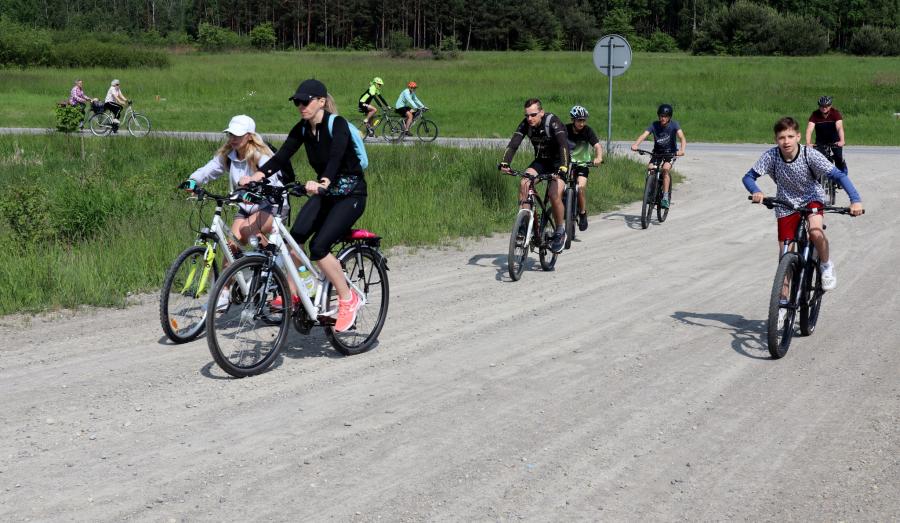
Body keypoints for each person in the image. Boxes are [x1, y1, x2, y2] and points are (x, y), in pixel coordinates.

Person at [251, 79, 367, 333]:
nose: (301, 106)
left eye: (305, 101)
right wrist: (256, 177)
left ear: (321, 102)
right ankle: (298, 290)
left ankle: (348, 299)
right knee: (294, 241)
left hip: (351, 195)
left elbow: (336, 157)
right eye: (297, 102)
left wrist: (323, 181)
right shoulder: (303, 129)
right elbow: (282, 156)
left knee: (319, 247)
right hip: (326, 194)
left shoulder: (337, 124)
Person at [743, 116, 863, 292]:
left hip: (811, 197)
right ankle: (782, 301)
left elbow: (838, 175)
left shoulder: (809, 154)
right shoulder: (771, 156)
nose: (786, 141)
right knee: (785, 253)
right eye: (781, 138)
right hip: (785, 202)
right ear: (776, 139)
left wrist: (855, 200)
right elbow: (748, 177)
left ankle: (826, 265)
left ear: (798, 137)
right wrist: (756, 191)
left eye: (790, 136)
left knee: (815, 231)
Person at [185, 115, 286, 310]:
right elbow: (209, 169)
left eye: (238, 135)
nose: (233, 139)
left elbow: (273, 180)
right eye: (231, 134)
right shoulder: (229, 156)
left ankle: (277, 261)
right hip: (245, 207)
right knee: (230, 246)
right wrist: (193, 180)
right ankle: (223, 293)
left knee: (244, 231)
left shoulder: (261, 156)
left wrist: (254, 185)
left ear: (249, 136)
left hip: (271, 206)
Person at [498, 98, 570, 253]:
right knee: (524, 183)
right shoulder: (526, 124)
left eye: (533, 115)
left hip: (559, 163)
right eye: (527, 115)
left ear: (541, 113)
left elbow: (563, 145)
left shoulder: (553, 122)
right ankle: (524, 226)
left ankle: (560, 231)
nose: (529, 118)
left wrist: (563, 167)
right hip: (541, 161)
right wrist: (505, 162)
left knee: (553, 194)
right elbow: (514, 144)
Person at [630, 104, 686, 209]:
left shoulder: (674, 125)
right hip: (657, 153)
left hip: (670, 153)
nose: (662, 118)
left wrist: (682, 150)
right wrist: (636, 144)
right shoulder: (654, 125)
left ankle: (665, 197)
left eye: (665, 116)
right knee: (650, 168)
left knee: (665, 169)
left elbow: (682, 137)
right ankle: (650, 191)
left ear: (669, 117)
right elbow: (644, 135)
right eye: (661, 116)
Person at [565, 105, 603, 231]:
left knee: (580, 187)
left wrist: (598, 157)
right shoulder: (565, 130)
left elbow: (597, 146)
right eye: (579, 120)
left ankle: (582, 213)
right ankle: (565, 207)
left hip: (582, 164)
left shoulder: (588, 131)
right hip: (566, 164)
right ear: (573, 120)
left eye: (583, 120)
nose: (582, 123)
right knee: (560, 186)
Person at [805, 95, 847, 173]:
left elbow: (839, 128)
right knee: (819, 159)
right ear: (819, 106)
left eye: (826, 106)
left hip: (835, 140)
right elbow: (809, 130)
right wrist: (808, 143)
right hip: (821, 141)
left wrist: (842, 140)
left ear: (830, 106)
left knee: (838, 157)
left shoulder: (835, 113)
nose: (824, 108)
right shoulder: (815, 114)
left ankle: (842, 175)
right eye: (822, 106)